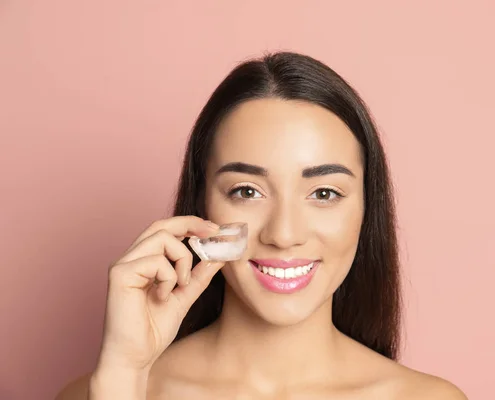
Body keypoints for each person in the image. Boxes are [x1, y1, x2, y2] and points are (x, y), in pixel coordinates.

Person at [57, 51, 467, 399]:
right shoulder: (106, 390)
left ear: (366, 209)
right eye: (247, 191)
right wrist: (123, 374)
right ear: (201, 204)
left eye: (324, 194)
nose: (283, 235)